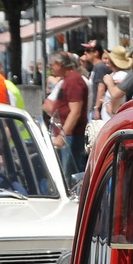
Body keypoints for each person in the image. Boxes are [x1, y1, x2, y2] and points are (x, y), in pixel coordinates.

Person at [48, 50, 88, 178]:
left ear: (59, 64)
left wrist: (62, 135)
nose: (50, 69)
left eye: (51, 65)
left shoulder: (73, 81)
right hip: (67, 136)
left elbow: (75, 112)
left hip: (71, 137)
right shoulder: (68, 80)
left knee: (69, 177)